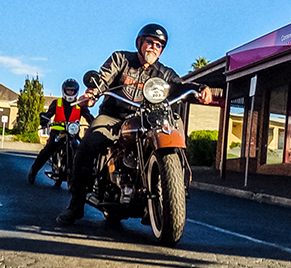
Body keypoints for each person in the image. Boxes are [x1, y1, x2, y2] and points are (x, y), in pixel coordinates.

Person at [57, 23, 215, 226]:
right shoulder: (121, 60)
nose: (153, 47)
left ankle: (165, 191)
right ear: (140, 43)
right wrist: (92, 93)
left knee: (172, 126)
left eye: (159, 45)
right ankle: (75, 204)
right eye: (150, 42)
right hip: (114, 117)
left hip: (145, 119)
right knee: (90, 141)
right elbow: (103, 77)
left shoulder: (163, 73)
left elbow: (180, 86)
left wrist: (201, 89)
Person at [28, 79, 87, 184]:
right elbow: (48, 114)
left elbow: (88, 116)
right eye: (68, 90)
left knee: (81, 149)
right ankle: (34, 171)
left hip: (73, 134)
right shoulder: (57, 102)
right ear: (64, 90)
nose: (70, 92)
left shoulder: (80, 104)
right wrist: (44, 120)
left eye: (72, 90)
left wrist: (93, 123)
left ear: (76, 91)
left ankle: (80, 178)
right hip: (57, 133)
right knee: (48, 150)